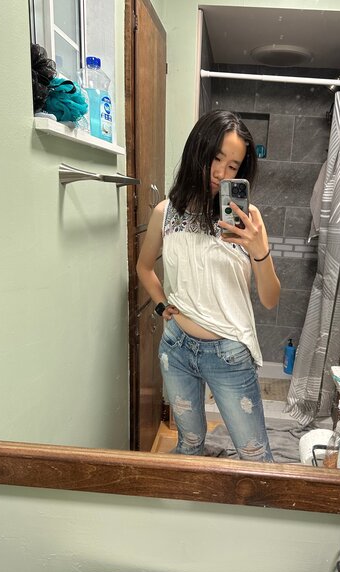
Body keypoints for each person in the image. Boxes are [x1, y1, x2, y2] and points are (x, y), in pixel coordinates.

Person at [136, 109, 281, 462]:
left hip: (229, 354)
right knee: (189, 443)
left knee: (255, 456)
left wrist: (259, 250)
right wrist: (161, 305)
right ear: (197, 151)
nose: (221, 173)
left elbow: (270, 299)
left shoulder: (249, 220)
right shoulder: (165, 213)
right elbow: (144, 267)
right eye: (216, 158)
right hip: (176, 348)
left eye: (233, 166)